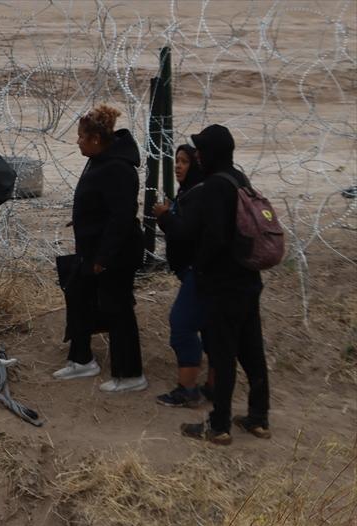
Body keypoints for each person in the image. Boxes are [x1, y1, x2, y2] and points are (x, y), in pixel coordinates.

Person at [156, 124, 270, 445]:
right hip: (248, 279)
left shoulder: (213, 187)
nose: (198, 155)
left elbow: (204, 236)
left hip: (224, 284)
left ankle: (218, 426)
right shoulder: (239, 180)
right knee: (251, 351)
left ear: (211, 154)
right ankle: (259, 419)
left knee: (223, 354)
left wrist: (202, 270)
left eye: (201, 150)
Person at [54, 104, 146, 392]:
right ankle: (82, 360)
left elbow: (121, 217)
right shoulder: (100, 158)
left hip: (114, 255)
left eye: (81, 136)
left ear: (95, 138)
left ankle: (130, 375)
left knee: (117, 308)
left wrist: (103, 258)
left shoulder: (118, 167)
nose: (78, 141)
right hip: (92, 249)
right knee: (79, 294)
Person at [153, 144, 210, 408]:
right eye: (176, 160)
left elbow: (185, 233)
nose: (178, 166)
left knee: (182, 324)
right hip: (194, 272)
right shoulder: (189, 192)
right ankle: (212, 386)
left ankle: (187, 390)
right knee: (209, 327)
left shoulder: (198, 195)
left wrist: (165, 217)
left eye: (184, 161)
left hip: (198, 272)